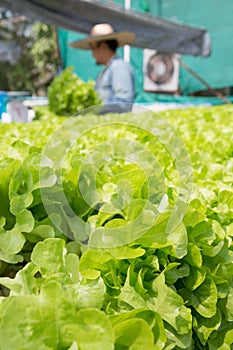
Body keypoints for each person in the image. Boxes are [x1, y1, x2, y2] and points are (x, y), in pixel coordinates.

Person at [70, 23, 136, 113]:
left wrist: (94, 105)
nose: (92, 54)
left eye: (93, 48)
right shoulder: (108, 69)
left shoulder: (119, 66)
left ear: (103, 46)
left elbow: (124, 104)